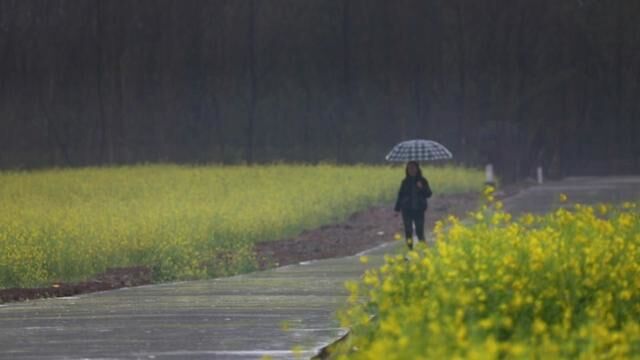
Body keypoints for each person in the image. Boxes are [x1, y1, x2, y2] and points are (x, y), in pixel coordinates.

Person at [394, 161, 432, 250]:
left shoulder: (423, 181)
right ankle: (410, 250)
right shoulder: (405, 182)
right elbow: (400, 195)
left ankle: (425, 251)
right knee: (408, 231)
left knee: (419, 231)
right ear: (407, 170)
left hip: (419, 210)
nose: (411, 170)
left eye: (413, 168)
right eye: (409, 168)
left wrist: (422, 187)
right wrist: (397, 209)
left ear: (417, 169)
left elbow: (429, 194)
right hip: (407, 210)